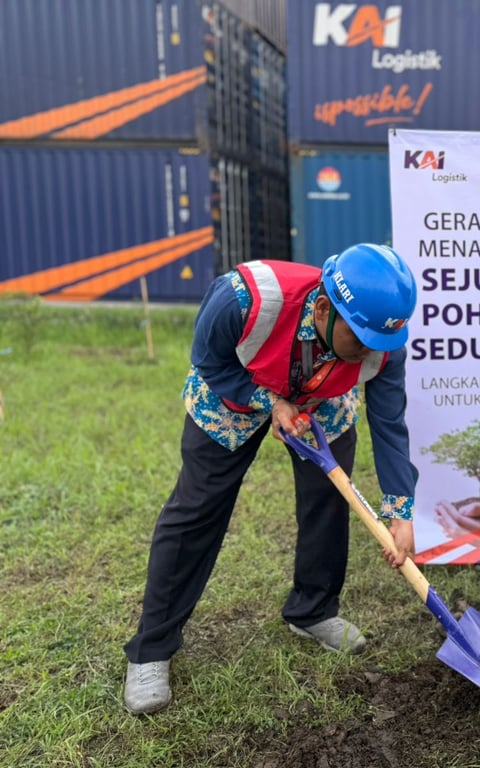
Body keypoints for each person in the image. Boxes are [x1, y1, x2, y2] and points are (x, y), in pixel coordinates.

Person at [123, 243, 420, 715]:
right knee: (198, 508)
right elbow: (209, 360)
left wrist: (400, 510)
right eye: (361, 340)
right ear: (323, 309)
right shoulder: (244, 299)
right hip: (234, 389)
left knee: (329, 500)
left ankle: (313, 610)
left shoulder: (382, 343)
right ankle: (151, 649)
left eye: (379, 342)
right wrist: (271, 402)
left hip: (323, 397)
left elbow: (389, 423)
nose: (370, 351)